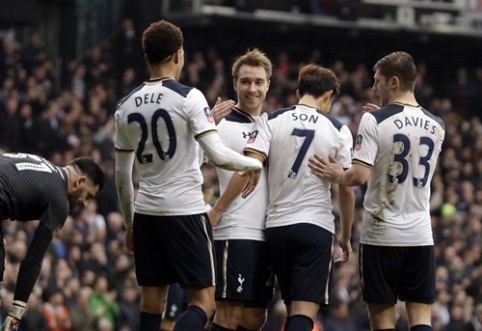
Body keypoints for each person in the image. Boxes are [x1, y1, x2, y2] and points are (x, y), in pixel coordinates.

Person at [114, 20, 262, 331]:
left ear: (146, 58)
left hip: (147, 213)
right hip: (185, 212)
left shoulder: (124, 107)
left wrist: (130, 224)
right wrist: (254, 165)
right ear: (179, 55)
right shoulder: (189, 97)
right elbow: (219, 154)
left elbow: (122, 178)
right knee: (204, 304)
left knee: (152, 303)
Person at [308, 51, 445, 331]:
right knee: (421, 320)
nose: (374, 88)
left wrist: (337, 174)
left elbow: (358, 177)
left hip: (381, 236)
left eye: (377, 81)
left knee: (383, 323)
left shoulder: (374, 121)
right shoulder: (438, 125)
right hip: (420, 236)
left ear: (393, 82)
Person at [243, 64, 355, 331]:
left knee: (291, 311)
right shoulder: (338, 129)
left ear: (298, 92)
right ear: (328, 96)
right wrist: (346, 236)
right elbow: (347, 188)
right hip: (314, 227)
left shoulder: (271, 120)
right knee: (304, 315)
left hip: (276, 228)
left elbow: (251, 163)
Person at [207, 49, 274, 331]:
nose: (252, 88)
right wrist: (202, 125)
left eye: (259, 82)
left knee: (255, 318)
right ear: (235, 83)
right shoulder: (220, 126)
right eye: (245, 81)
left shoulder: (272, 125)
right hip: (235, 231)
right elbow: (185, 161)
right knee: (228, 315)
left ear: (268, 84)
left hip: (266, 234)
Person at [0, 153, 105, 331]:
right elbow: (33, 259)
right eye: (88, 196)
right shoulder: (60, 201)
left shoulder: (42, 164)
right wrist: (16, 315)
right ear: (79, 181)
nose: (85, 204)